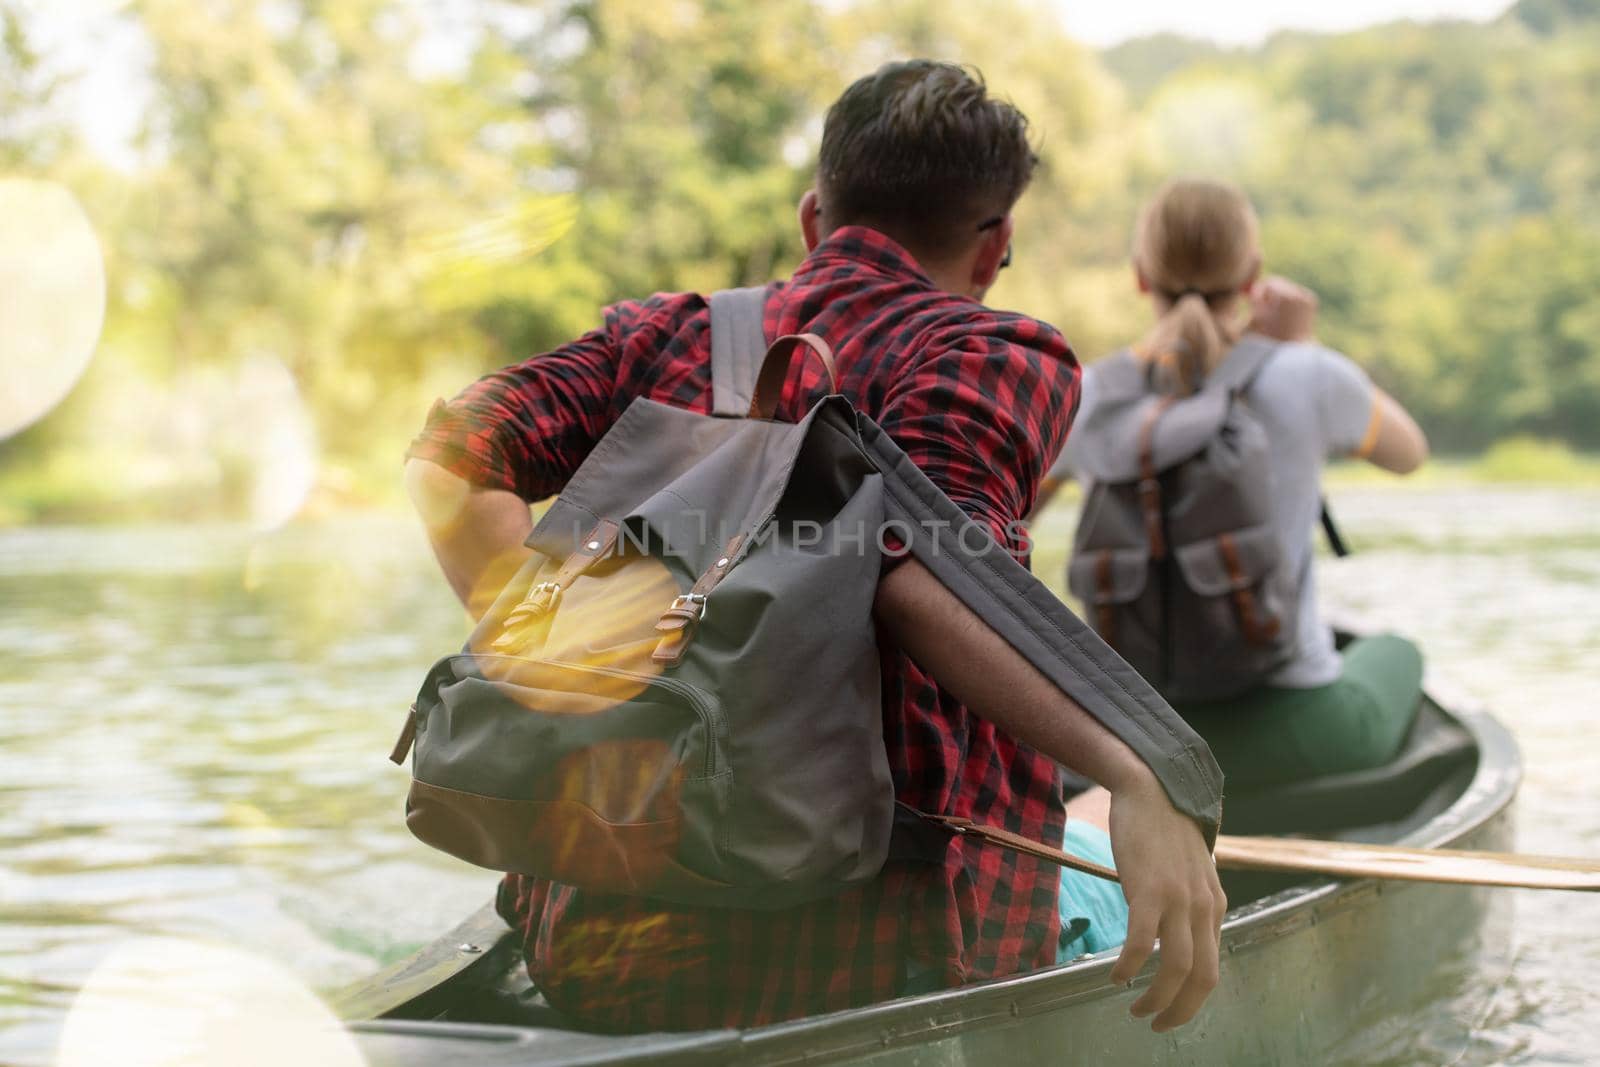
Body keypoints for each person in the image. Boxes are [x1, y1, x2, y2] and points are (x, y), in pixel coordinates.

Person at [404, 61, 1223, 1034]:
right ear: (994, 241)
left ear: (811, 218)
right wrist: (1141, 769)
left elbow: (449, 460)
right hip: (889, 959)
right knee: (1124, 839)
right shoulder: (985, 357)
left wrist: (557, 644)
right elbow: (919, 573)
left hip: (598, 948)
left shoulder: (662, 336)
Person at [1040, 177, 1430, 790]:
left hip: (1141, 752)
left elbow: (1006, 514)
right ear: (1254, 275)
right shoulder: (1308, 373)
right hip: (1293, 733)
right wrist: (1301, 344)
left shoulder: (1088, 396)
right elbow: (1410, 453)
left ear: (1141, 275)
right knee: (1399, 653)